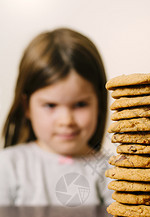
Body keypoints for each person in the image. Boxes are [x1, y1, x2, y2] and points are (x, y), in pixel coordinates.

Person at [0, 27, 113, 206]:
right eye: (50, 105)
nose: (66, 121)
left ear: (99, 103)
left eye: (80, 104)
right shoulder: (8, 166)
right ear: (26, 106)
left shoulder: (111, 171)